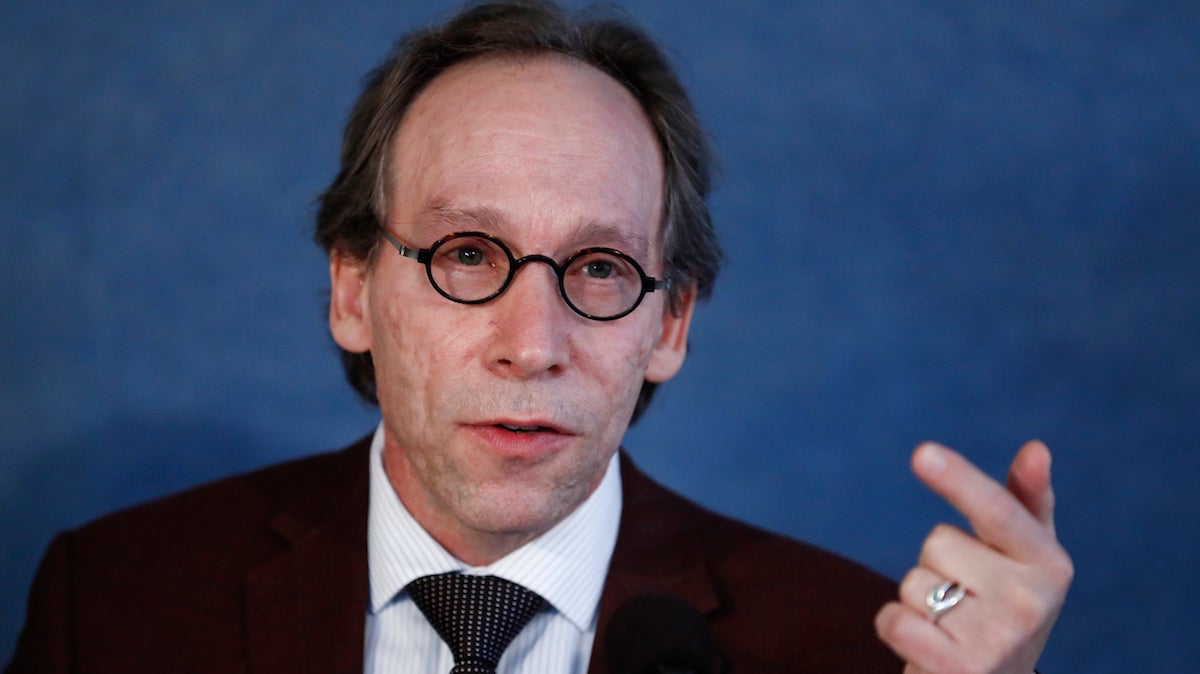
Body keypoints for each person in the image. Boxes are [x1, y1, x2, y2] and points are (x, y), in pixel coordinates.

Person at [5, 1, 1072, 672]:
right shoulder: (112, 602)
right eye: (469, 253)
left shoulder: (862, 646)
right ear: (351, 288)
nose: (534, 341)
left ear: (671, 322)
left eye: (599, 268)